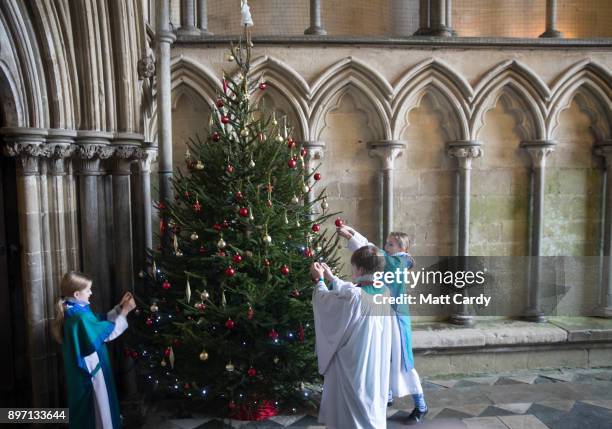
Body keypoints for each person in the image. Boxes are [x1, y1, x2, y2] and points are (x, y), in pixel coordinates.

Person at [338, 225, 428, 424]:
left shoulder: (400, 261)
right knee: (383, 355)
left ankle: (421, 404)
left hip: (397, 317)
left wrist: (354, 237)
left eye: (391, 244)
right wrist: (353, 234)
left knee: (404, 362)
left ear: (403, 248)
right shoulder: (391, 259)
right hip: (384, 314)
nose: (386, 246)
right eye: (386, 243)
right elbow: (373, 253)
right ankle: (386, 396)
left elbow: (374, 255)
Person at [310, 246, 394, 429]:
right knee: (370, 402)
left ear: (361, 270)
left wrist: (320, 280)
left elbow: (327, 303)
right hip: (374, 362)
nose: (353, 271)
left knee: (351, 413)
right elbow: (352, 291)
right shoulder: (384, 292)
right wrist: (333, 278)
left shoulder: (355, 297)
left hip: (353, 365)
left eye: (354, 267)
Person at [52, 271, 136, 429]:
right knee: (98, 410)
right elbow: (107, 333)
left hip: (88, 366)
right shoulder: (79, 317)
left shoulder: (75, 309)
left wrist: (119, 308)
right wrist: (125, 312)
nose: (91, 293)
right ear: (77, 294)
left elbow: (98, 321)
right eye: (88, 290)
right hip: (90, 371)